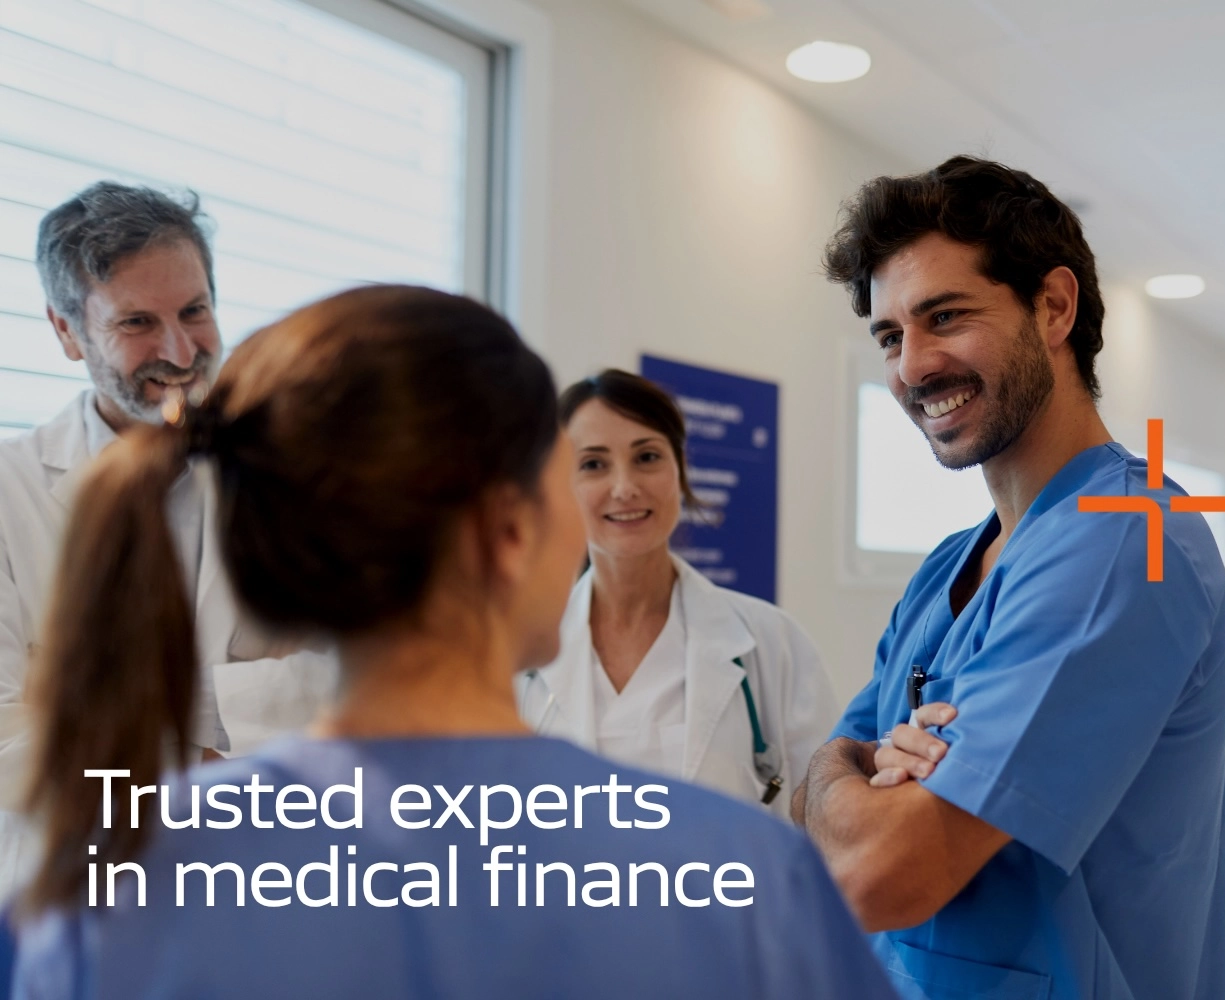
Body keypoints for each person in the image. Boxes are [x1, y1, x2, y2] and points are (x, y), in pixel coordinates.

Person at [11, 286, 895, 1000]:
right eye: (572, 476)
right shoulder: (739, 882)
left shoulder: (103, 885)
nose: (613, 495)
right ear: (509, 533)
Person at [793, 157, 1225, 1000]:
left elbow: (880, 872)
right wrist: (839, 774)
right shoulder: (947, 569)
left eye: (946, 316)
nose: (914, 366)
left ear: (1054, 306)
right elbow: (816, 812)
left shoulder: (1128, 540)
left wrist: (849, 778)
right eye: (890, 336)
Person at [0, 183, 335, 898]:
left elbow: (344, 687)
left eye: (195, 311)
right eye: (137, 323)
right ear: (67, 332)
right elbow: (7, 743)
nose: (180, 350)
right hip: (76, 894)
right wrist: (227, 737)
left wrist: (104, 718)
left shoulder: (298, 473)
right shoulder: (10, 491)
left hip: (261, 887)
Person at [517, 370, 835, 817]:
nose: (624, 487)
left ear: (680, 468)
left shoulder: (772, 644)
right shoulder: (519, 657)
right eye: (593, 464)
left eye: (647, 456)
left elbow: (823, 823)